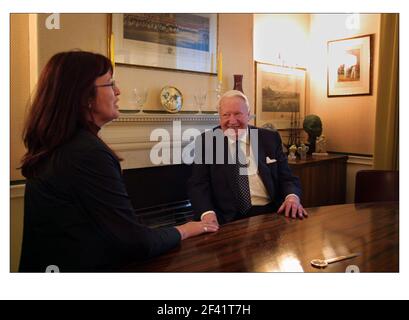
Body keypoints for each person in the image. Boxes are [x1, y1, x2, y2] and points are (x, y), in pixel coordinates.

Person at [19, 51, 218, 272]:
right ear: (85, 97)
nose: (117, 91)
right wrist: (186, 229)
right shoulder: (86, 153)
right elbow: (136, 242)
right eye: (110, 83)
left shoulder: (60, 144)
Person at [188, 90, 308, 226]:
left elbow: (287, 178)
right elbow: (198, 185)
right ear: (220, 117)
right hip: (227, 218)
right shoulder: (208, 141)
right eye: (226, 115)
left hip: (271, 213)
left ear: (249, 115)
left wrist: (292, 197)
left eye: (237, 113)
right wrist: (207, 213)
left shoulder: (269, 138)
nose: (232, 121)